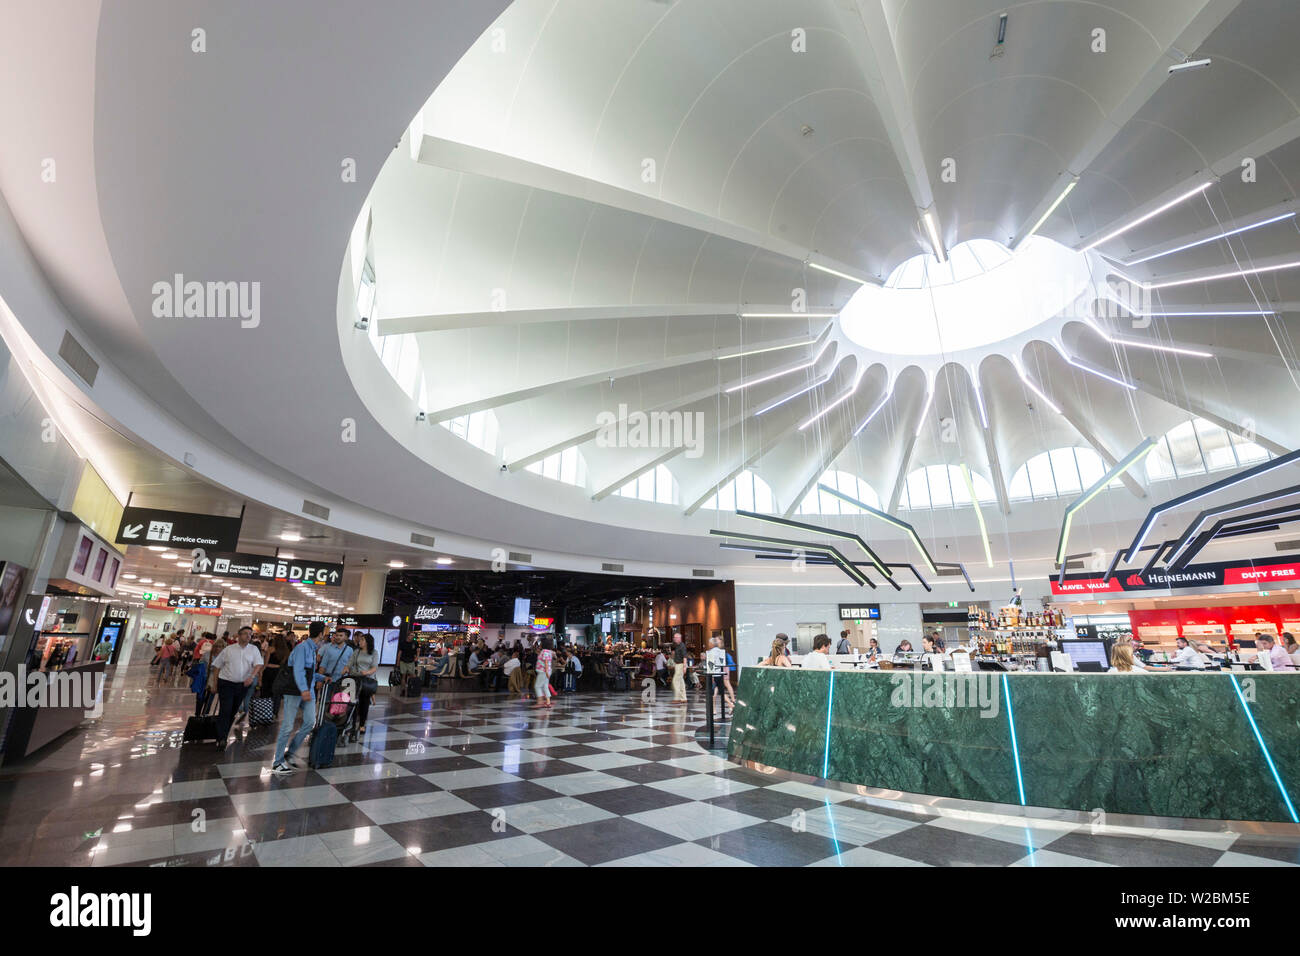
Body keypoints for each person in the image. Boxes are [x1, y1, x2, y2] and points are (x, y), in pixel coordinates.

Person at [271, 623, 329, 775]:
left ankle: (289, 754)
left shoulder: (312, 649)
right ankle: (277, 762)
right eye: (325, 632)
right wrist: (304, 689)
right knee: (288, 726)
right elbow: (297, 670)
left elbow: (308, 672)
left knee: (310, 722)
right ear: (321, 633)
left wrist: (322, 677)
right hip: (295, 691)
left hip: (307, 691)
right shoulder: (302, 648)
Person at [211, 627, 265, 749]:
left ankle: (223, 733)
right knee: (225, 709)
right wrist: (214, 684)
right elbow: (217, 667)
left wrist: (252, 677)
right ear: (239, 636)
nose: (248, 636)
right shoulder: (229, 649)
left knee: (233, 711)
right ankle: (222, 738)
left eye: (250, 634)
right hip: (226, 683)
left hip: (242, 685)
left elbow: (258, 664)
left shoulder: (253, 649)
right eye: (245, 634)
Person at [349, 633, 379, 734]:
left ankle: (362, 724)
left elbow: (374, 667)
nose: (360, 642)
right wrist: (346, 669)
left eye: (362, 640)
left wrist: (367, 672)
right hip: (356, 679)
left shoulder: (374, 653)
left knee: (364, 703)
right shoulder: (356, 652)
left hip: (367, 681)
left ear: (368, 642)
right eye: (360, 640)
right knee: (353, 702)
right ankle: (352, 723)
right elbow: (350, 663)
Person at [705, 635, 734, 708]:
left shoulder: (710, 652)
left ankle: (730, 703)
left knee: (716, 692)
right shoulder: (721, 651)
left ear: (711, 644)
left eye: (709, 643)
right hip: (720, 673)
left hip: (715, 674)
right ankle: (730, 703)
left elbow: (710, 665)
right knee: (720, 691)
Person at [533, 636, 555, 709]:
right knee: (545, 686)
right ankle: (548, 702)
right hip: (546, 671)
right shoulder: (549, 651)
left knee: (537, 686)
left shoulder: (545, 651)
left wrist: (546, 672)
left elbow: (546, 662)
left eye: (541, 643)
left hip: (543, 671)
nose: (540, 644)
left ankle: (540, 702)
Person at [670, 633, 688, 704]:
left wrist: (684, 667)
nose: (674, 639)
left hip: (681, 665)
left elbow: (685, 657)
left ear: (679, 638)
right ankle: (684, 698)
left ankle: (677, 698)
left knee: (675, 681)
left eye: (675, 637)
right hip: (677, 665)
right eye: (674, 637)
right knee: (681, 682)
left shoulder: (682, 646)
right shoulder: (677, 646)